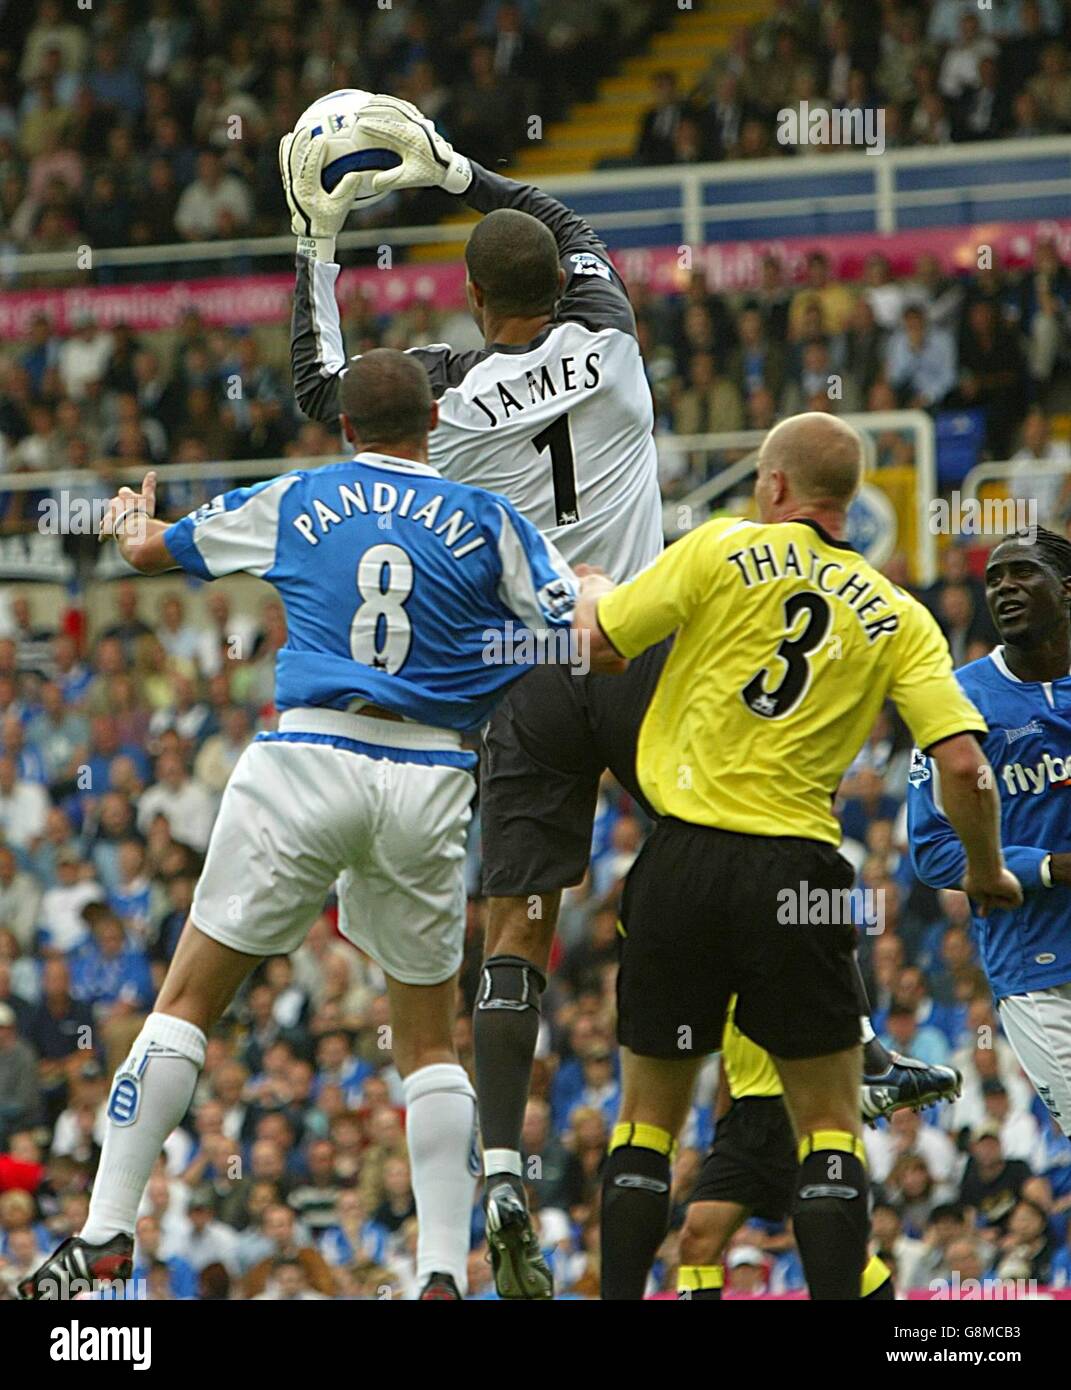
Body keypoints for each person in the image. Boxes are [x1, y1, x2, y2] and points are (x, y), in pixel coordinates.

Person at [19, 345, 587, 1304]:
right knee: (427, 1043)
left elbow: (153, 552)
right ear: (435, 425)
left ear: (347, 429)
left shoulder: (299, 494)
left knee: (188, 1001)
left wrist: (125, 521)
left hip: (306, 755)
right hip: (431, 773)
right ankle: (441, 1273)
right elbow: (579, 632)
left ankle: (109, 1231)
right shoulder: (493, 519)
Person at [284, 95, 663, 1298]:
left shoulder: (438, 394)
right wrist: (458, 168)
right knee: (738, 843)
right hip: (639, 640)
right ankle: (852, 1048)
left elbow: (320, 387)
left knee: (515, 926)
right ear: (562, 281)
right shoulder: (612, 330)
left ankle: (501, 1164)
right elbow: (559, 216)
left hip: (529, 668)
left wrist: (315, 249)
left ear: (471, 304)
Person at [570, 411, 1020, 1299]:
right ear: (845, 501)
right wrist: (984, 870)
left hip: (681, 860)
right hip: (795, 874)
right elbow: (963, 766)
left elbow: (601, 647)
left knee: (647, 1125)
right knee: (826, 1129)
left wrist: (589, 585)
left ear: (773, 486)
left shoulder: (717, 548)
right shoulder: (898, 613)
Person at [909, 527, 1071, 1140]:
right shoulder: (959, 698)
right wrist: (1050, 867)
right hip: (1035, 970)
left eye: (1023, 573)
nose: (1004, 587)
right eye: (995, 579)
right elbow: (932, 850)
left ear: (1067, 590)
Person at [678, 999, 894, 1302]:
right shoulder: (724, 969)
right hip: (742, 1125)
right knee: (696, 1239)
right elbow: (728, 1051)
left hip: (803, 1115)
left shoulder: (801, 960)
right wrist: (722, 1125)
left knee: (837, 1250)